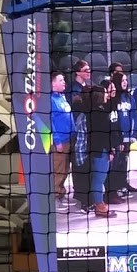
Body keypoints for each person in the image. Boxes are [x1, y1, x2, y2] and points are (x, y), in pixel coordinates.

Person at [87, 83, 118, 218]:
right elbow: (104, 134)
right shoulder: (99, 113)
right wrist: (111, 150)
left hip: (97, 150)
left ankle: (100, 203)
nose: (107, 95)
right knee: (99, 179)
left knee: (98, 178)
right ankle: (99, 205)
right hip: (100, 150)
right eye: (105, 92)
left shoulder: (95, 110)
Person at [109, 72, 137, 199]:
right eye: (122, 80)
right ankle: (113, 188)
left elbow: (135, 117)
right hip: (116, 139)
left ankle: (122, 185)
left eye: (126, 80)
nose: (125, 82)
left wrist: (133, 134)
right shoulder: (113, 99)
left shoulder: (130, 98)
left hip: (127, 137)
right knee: (115, 163)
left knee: (123, 162)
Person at [50, 73, 74, 205]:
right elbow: (51, 122)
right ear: (53, 84)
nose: (64, 82)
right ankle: (55, 197)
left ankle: (61, 194)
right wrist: (57, 141)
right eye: (61, 80)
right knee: (58, 169)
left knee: (65, 169)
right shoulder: (50, 100)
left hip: (68, 139)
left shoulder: (62, 97)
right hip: (60, 141)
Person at [69, 89, 94, 212]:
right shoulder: (84, 117)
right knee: (85, 178)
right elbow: (81, 140)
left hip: (82, 152)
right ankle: (85, 202)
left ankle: (85, 200)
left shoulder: (85, 114)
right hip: (82, 153)